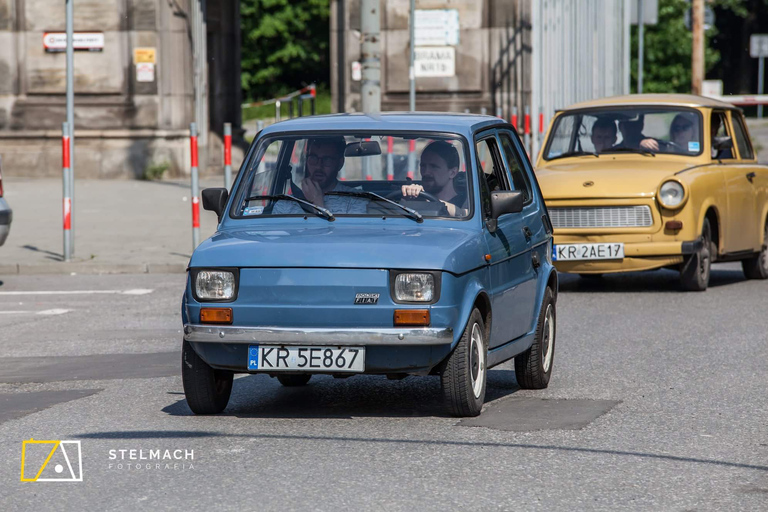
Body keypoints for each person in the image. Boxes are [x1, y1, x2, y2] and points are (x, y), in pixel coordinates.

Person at [272, 137, 367, 214]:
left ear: (340, 163)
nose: (318, 166)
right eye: (313, 158)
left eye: (327, 160)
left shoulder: (356, 200)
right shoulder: (285, 204)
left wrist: (317, 202)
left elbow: (348, 237)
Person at [400, 141, 468, 216]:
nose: (426, 172)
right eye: (423, 166)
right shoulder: (415, 197)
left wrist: (425, 202)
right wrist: (407, 200)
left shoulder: (468, 201)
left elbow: (464, 215)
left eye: (434, 166)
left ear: (452, 173)